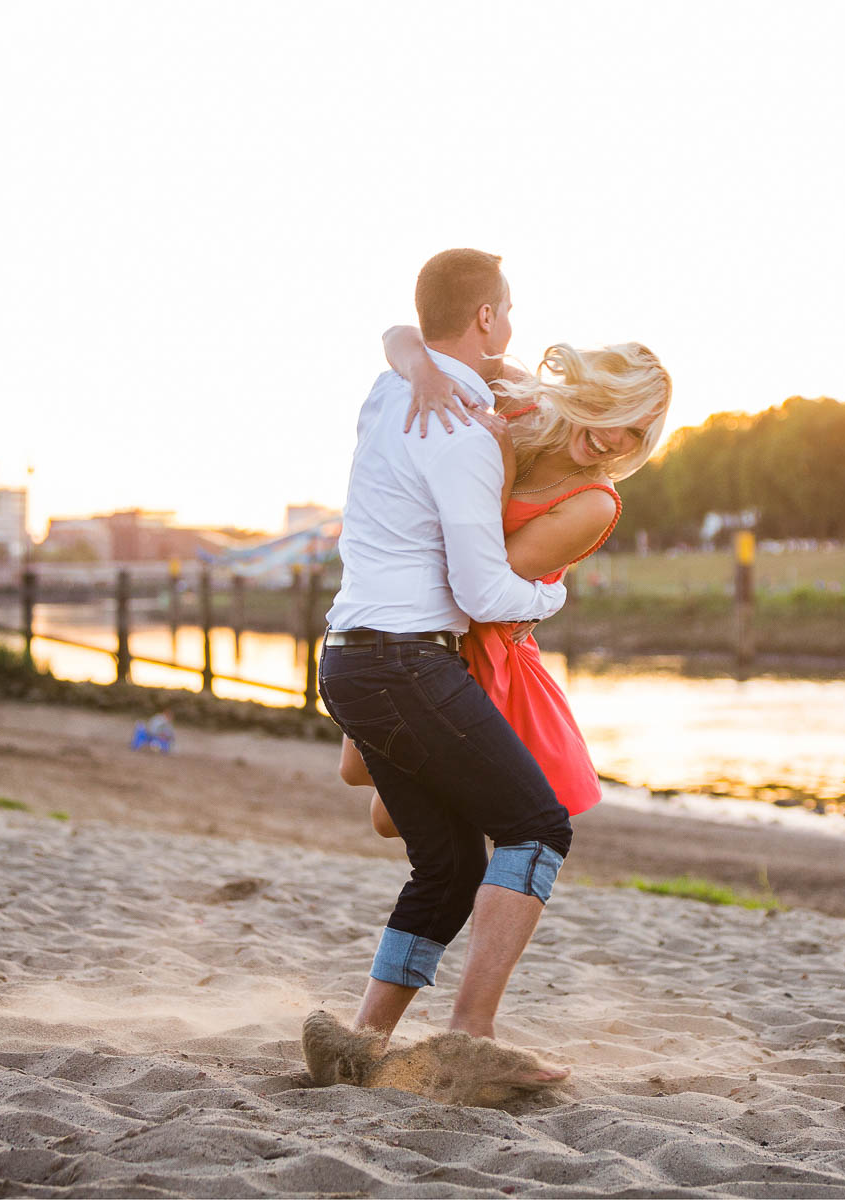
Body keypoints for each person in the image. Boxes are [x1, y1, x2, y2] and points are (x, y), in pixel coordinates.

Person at [312, 249, 576, 1073]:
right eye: (510, 312)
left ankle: (361, 1043)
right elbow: (484, 589)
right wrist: (552, 598)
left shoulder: (390, 389)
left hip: (348, 661)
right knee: (537, 827)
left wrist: (420, 353)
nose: (515, 329)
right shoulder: (459, 431)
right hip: (402, 664)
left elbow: (404, 339)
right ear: (488, 318)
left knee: (452, 864)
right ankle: (472, 1037)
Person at [339, 329, 669, 838]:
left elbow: (487, 578)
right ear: (585, 390)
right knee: (354, 770)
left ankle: (475, 858)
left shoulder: (593, 502)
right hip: (420, 611)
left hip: (480, 640)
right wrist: (423, 374)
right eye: (608, 409)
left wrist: (503, 464)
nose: (612, 435)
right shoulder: (518, 397)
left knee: (390, 819)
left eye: (633, 431)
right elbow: (405, 335)